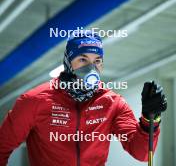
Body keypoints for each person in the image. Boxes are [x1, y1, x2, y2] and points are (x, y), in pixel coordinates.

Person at [0, 30, 167, 166]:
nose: (91, 68)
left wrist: (150, 119)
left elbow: (142, 154)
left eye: (97, 60)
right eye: (82, 59)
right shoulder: (35, 100)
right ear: (68, 62)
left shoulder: (112, 103)